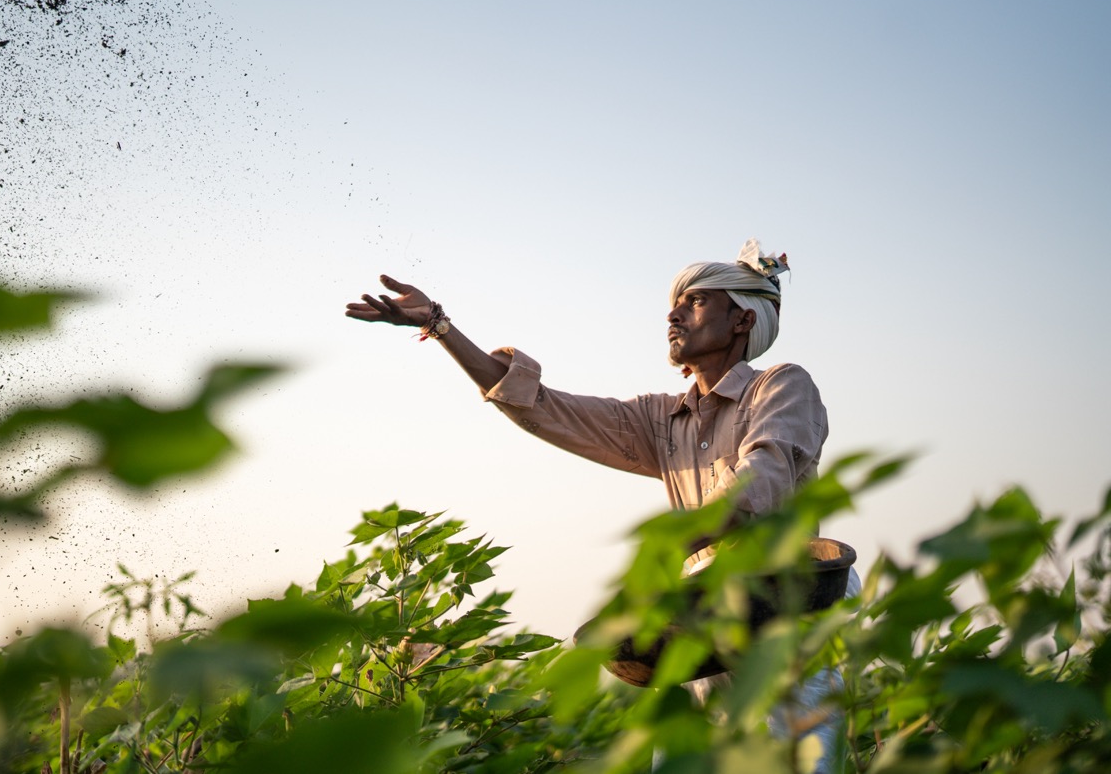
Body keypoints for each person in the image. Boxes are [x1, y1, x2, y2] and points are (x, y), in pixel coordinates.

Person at [345, 239, 858, 771]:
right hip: (708, 628)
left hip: (790, 618)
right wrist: (441, 325)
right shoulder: (664, 420)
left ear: (741, 321)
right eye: (676, 302)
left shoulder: (782, 387)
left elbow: (758, 487)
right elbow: (544, 407)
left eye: (696, 301)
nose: (674, 312)